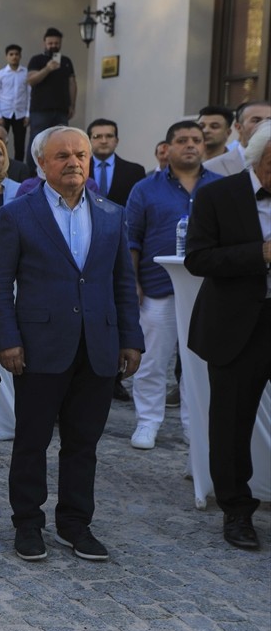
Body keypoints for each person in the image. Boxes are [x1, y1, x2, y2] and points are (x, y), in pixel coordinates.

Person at [0, 126, 143, 563]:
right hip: (38, 347)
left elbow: (122, 283)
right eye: (62, 156)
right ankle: (28, 523)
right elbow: (0, 285)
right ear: (41, 164)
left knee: (84, 443)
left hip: (98, 346)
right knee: (32, 440)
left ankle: (76, 523)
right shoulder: (17, 215)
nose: (73, 162)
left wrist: (130, 338)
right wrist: (8, 340)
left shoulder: (112, 214)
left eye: (80, 154)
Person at [184, 119, 271, 551]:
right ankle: (236, 511)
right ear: (261, 157)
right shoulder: (218, 194)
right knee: (231, 422)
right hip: (238, 327)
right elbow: (197, 258)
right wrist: (260, 254)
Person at [125, 121, 219, 450]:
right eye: (182, 140)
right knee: (152, 361)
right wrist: (133, 282)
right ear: (168, 147)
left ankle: (197, 430)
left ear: (204, 147)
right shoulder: (145, 189)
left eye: (196, 139)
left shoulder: (221, 187)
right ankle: (147, 422)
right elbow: (132, 239)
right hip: (157, 288)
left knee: (200, 365)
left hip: (209, 291)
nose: (190, 145)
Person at [25, 28, 77, 171]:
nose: (53, 45)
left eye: (56, 43)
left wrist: (72, 105)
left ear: (60, 43)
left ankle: (59, 170)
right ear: (44, 43)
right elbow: (31, 80)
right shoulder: (37, 60)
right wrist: (47, 69)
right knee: (37, 142)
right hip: (40, 110)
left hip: (61, 110)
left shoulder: (66, 61)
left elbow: (72, 83)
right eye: (50, 43)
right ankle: (31, 173)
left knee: (62, 142)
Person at [86, 118, 146, 206]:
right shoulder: (78, 170)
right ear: (88, 141)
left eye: (109, 136)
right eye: (97, 136)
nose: (104, 141)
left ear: (117, 141)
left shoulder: (135, 171)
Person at [204, 101, 271, 176]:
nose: (265, 125)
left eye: (269, 120)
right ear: (238, 127)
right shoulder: (211, 167)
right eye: (256, 120)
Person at [0, 44, 30, 162]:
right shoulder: (0, 75)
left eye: (16, 54)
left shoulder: (26, 73)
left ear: (20, 56)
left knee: (19, 145)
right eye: (11, 54)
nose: (14, 57)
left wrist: (28, 114)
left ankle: (18, 169)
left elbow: (30, 95)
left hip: (20, 114)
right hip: (3, 114)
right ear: (7, 57)